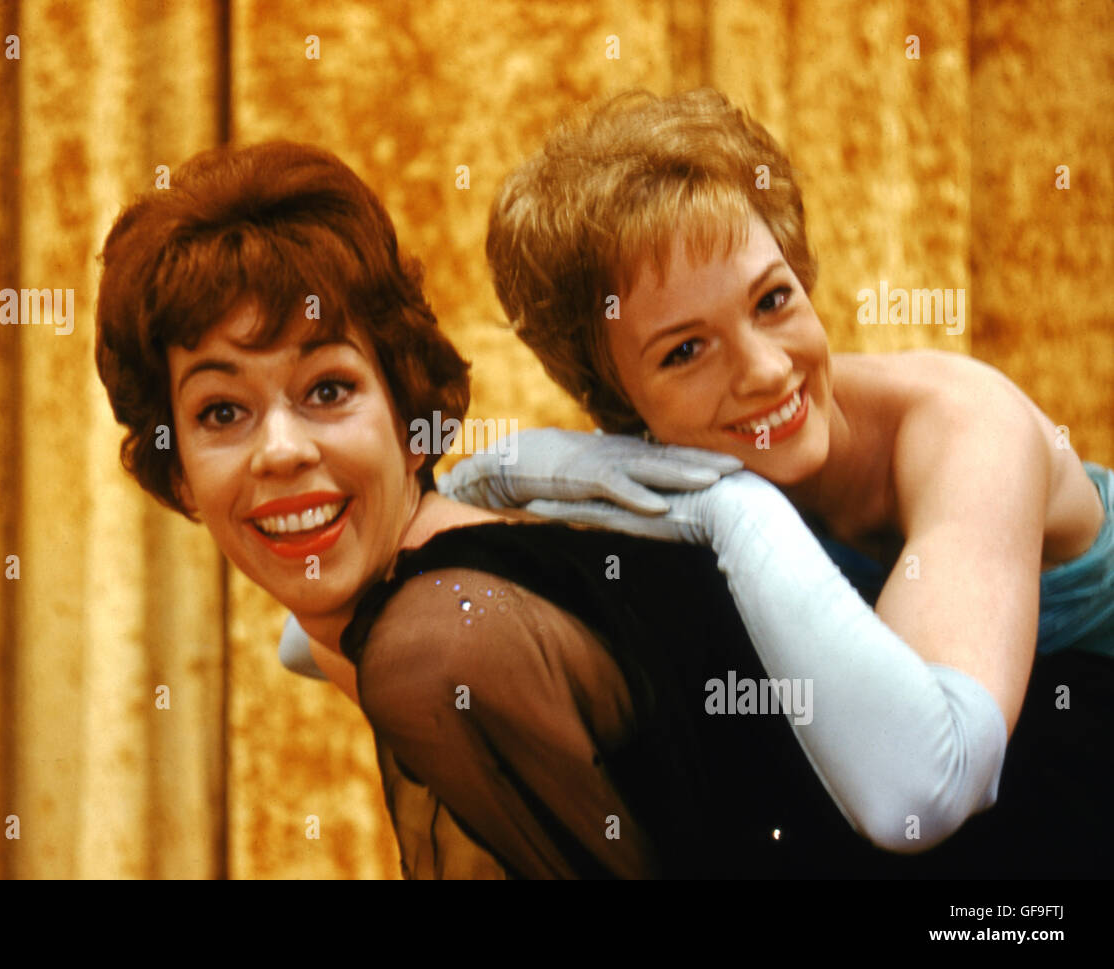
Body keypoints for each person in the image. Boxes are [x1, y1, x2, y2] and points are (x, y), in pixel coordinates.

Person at [97, 140, 1111, 878]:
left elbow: (919, 793)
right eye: (684, 348)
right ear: (622, 408)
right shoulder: (638, 491)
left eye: (772, 300)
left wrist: (732, 511)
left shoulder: (962, 420)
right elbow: (308, 624)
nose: (762, 370)